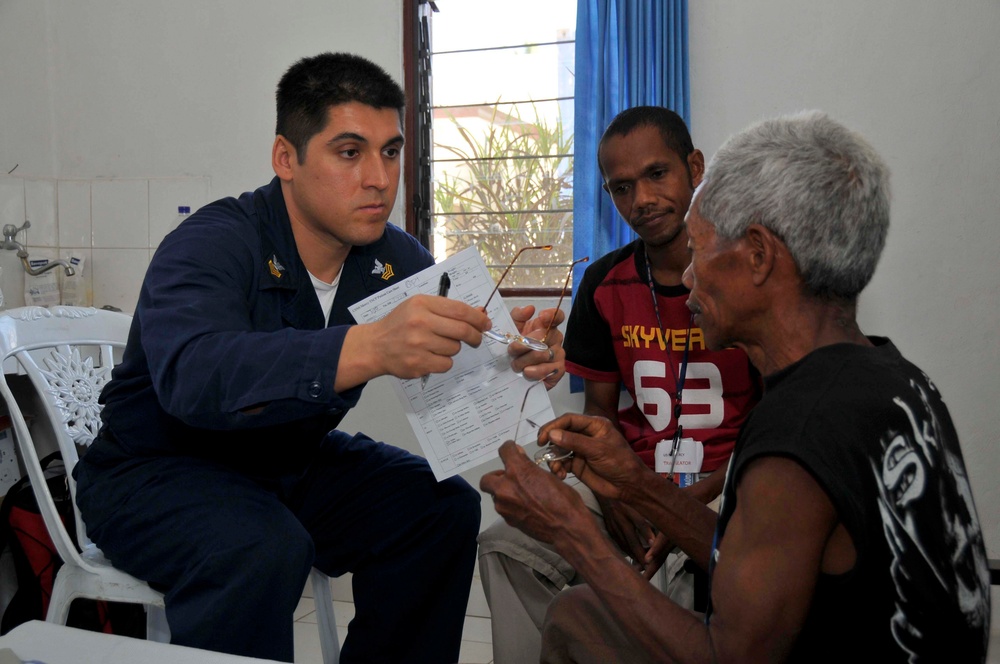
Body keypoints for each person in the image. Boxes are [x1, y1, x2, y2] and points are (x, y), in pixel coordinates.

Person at [72, 52, 565, 663]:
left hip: (287, 463)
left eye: (390, 151)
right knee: (260, 547)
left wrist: (516, 355)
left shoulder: (393, 258)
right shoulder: (212, 243)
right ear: (286, 158)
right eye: (349, 152)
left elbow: (465, 354)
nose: (380, 178)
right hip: (156, 470)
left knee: (440, 509)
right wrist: (368, 345)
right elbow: (194, 375)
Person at [481, 111, 991, 662]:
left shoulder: (794, 438)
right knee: (575, 613)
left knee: (578, 615)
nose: (690, 277)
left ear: (757, 255)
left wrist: (569, 529)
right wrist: (635, 484)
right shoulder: (897, 379)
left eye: (699, 250)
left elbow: (730, 656)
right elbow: (756, 558)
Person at [477, 106, 760, 664]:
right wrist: (619, 491)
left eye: (658, 174)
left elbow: (773, 428)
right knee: (506, 545)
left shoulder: (747, 274)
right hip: (629, 469)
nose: (643, 200)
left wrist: (671, 503)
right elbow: (600, 410)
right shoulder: (604, 281)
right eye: (622, 187)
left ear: (695, 167)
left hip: (729, 477)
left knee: (670, 583)